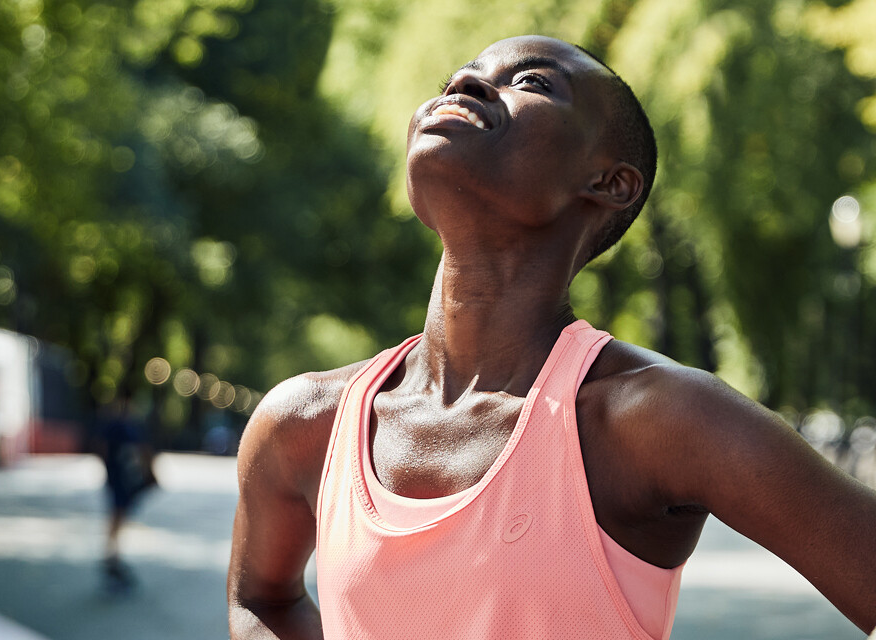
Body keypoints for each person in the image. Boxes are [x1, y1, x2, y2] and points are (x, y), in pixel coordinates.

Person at [227, 35, 876, 639]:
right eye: (457, 78)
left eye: (532, 82)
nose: (463, 86)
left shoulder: (659, 419)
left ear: (610, 181)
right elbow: (261, 599)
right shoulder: (306, 421)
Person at [94, 393, 156, 593]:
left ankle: (113, 554)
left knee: (118, 515)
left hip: (123, 476)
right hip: (120, 477)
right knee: (117, 514)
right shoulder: (120, 426)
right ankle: (112, 555)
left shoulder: (125, 426)